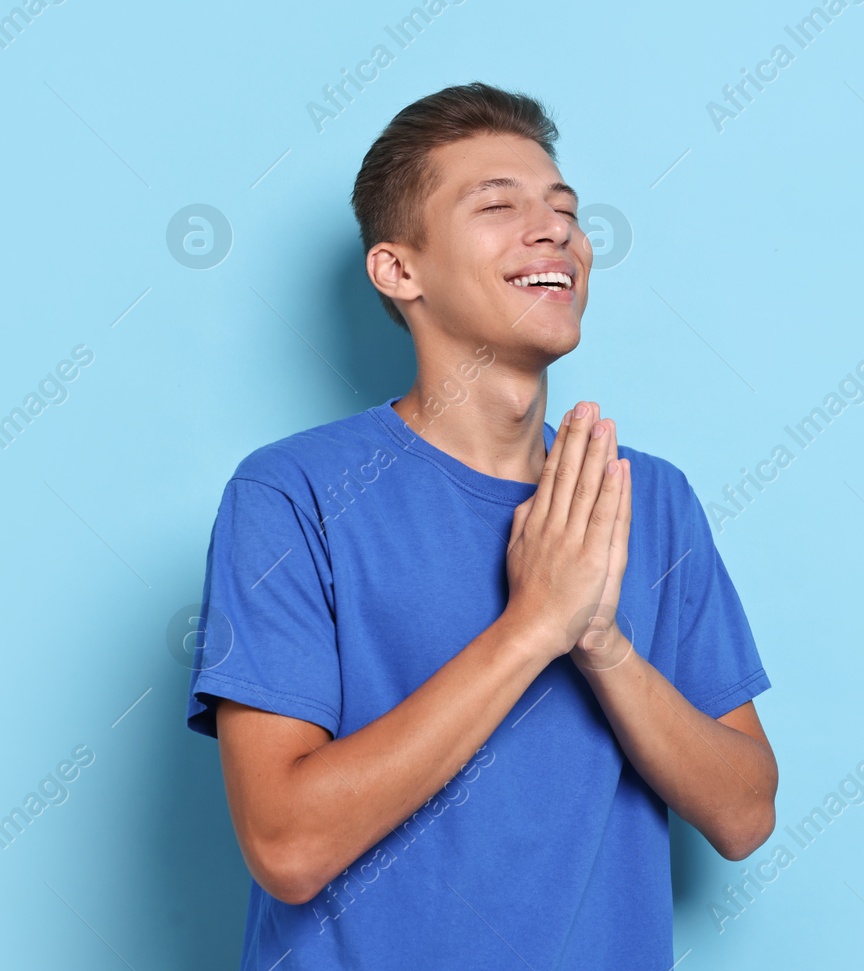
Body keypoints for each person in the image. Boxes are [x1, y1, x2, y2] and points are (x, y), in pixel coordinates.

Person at [185, 81, 778, 969]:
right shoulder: (291, 494)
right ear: (399, 270)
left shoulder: (649, 499)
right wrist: (533, 625)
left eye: (565, 210)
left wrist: (602, 640)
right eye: (498, 205)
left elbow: (744, 813)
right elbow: (287, 847)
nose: (555, 231)